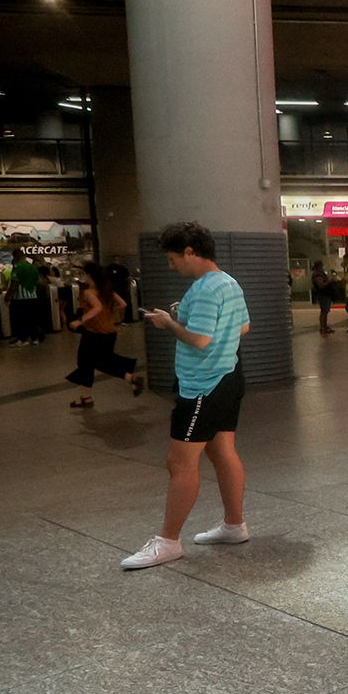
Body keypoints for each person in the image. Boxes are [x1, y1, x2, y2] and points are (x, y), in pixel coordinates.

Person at [122, 222, 251, 571]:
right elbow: (242, 328)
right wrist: (188, 314)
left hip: (203, 385)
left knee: (179, 462)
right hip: (228, 377)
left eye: (173, 258)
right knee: (223, 451)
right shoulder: (229, 283)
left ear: (191, 252)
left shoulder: (207, 289)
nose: (171, 265)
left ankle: (168, 541)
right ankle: (234, 524)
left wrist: (169, 323)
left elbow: (199, 340)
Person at [64, 261, 142, 409]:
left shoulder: (89, 292)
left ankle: (130, 378)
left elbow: (97, 307)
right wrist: (109, 314)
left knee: (86, 363)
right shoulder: (107, 291)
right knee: (99, 362)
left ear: (89, 275)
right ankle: (86, 397)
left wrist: (80, 321)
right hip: (109, 333)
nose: (84, 278)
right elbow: (123, 304)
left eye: (84, 274)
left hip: (93, 334)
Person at [8, 247, 44, 345]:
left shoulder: (17, 267)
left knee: (21, 320)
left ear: (15, 257)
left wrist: (8, 296)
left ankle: (22, 339)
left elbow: (14, 284)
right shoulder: (32, 268)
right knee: (32, 319)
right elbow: (40, 282)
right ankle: (35, 338)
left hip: (20, 298)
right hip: (32, 296)